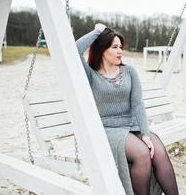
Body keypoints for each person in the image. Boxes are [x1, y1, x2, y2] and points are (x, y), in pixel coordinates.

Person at [76, 23, 179, 195]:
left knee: (159, 151)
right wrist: (97, 31)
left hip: (132, 125)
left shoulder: (129, 71)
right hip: (108, 129)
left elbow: (138, 104)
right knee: (142, 154)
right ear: (102, 49)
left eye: (120, 47)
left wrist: (145, 133)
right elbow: (74, 50)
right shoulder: (91, 75)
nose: (120, 51)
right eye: (114, 47)